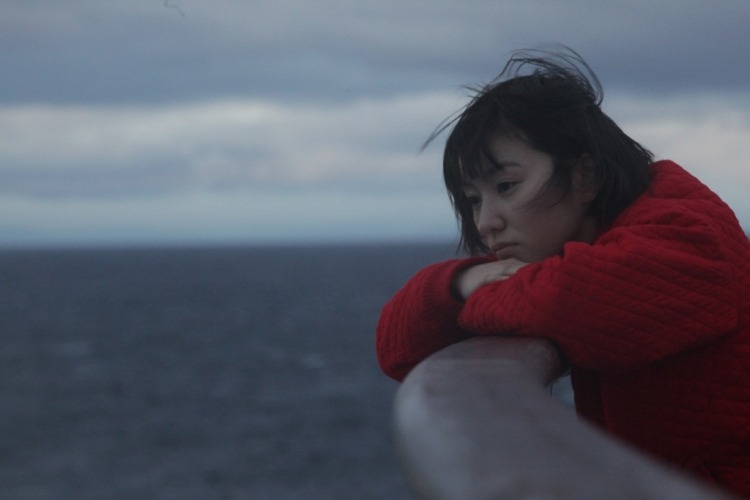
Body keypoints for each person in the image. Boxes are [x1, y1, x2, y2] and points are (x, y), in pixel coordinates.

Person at [375, 47, 750, 495]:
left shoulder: (684, 238)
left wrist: (482, 294)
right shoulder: (582, 247)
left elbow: (558, 301)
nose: (485, 221)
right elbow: (396, 349)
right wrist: (460, 284)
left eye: (506, 186)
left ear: (583, 176)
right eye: (473, 200)